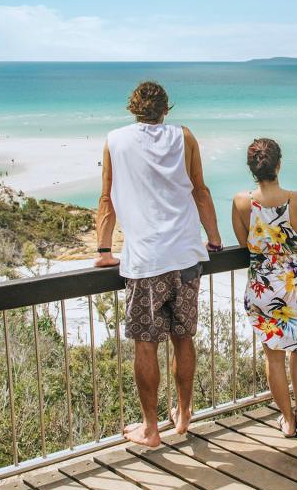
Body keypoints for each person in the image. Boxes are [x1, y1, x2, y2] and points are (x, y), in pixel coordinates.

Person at [95, 81, 223, 448]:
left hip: (146, 260)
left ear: (133, 108)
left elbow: (107, 198)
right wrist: (214, 239)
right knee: (183, 338)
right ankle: (183, 413)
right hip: (186, 256)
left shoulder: (114, 140)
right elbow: (200, 190)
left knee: (146, 344)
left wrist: (104, 249)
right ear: (166, 109)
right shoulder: (184, 137)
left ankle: (151, 428)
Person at [232, 139, 297, 437]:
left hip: (264, 288)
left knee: (273, 356)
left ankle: (287, 420)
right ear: (279, 165)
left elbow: (246, 245)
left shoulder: (241, 203)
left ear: (252, 169)